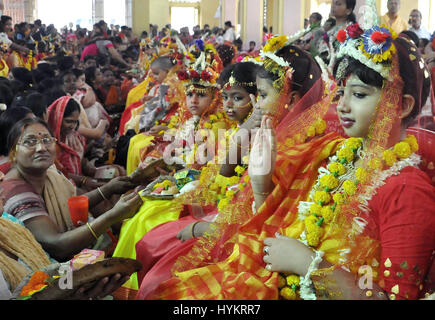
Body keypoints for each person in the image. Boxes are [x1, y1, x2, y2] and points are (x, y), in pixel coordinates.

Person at [146, 7, 434, 300]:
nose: (344, 105)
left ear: (404, 105)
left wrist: (310, 265)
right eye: (341, 92)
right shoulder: (338, 154)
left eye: (358, 94)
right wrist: (261, 187)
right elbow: (284, 227)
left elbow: (398, 298)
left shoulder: (407, 189)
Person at [137, 35, 325, 300]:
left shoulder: (304, 152)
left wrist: (205, 229)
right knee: (151, 240)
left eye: (261, 95)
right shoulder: (273, 132)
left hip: (252, 248)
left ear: (292, 99)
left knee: (157, 281)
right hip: (233, 226)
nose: (256, 104)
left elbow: (272, 229)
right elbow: (229, 177)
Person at [110, 46, 232, 300]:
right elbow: (184, 155)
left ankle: (131, 280)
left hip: (200, 189)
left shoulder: (217, 126)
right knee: (139, 205)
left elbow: (207, 168)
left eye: (201, 96)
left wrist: (179, 176)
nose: (194, 101)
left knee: (146, 217)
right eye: (190, 96)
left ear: (215, 98)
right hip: (184, 178)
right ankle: (121, 275)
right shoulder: (193, 121)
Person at [0, 117, 145, 262]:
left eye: (46, 140)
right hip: (47, 274)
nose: (41, 148)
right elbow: (57, 245)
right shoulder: (16, 192)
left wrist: (108, 189)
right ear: (13, 153)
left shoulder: (49, 172)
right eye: (30, 142)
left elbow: (72, 203)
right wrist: (112, 215)